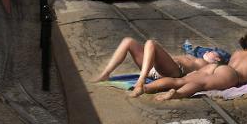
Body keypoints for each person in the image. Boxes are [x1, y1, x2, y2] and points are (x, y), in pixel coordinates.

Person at [144, 30, 247, 101]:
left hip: (218, 67)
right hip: (231, 75)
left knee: (180, 80)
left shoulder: (238, 52)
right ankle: (178, 94)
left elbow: (231, 65)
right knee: (201, 84)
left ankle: (147, 87)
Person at [90, 37, 223, 97]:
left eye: (213, 52)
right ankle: (106, 73)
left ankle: (140, 82)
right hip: (153, 68)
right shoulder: (194, 55)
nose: (209, 51)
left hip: (172, 72)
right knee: (128, 41)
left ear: (216, 59)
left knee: (151, 43)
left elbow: (202, 78)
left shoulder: (206, 64)